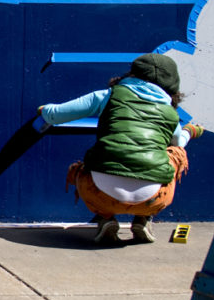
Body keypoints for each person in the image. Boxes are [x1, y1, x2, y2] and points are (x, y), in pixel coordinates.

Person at [38, 53, 203, 244]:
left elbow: (56, 115)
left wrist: (44, 110)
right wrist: (190, 131)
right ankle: (143, 218)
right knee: (176, 153)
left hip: (100, 195)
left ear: (132, 74)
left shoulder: (108, 96)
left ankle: (105, 219)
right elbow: (178, 142)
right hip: (153, 199)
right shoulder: (170, 114)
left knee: (88, 164)